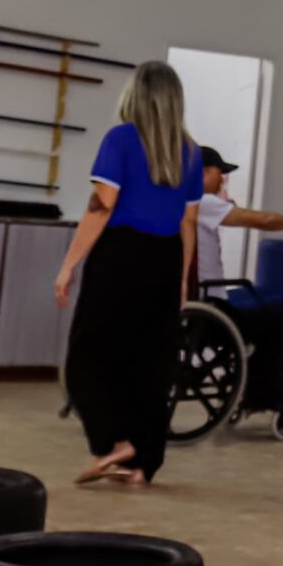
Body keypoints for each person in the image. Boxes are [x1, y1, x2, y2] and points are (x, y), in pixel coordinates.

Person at [54, 61, 202, 487]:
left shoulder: (120, 139)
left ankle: (111, 443)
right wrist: (181, 278)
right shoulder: (191, 152)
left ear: (135, 95)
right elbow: (188, 222)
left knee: (88, 357)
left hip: (121, 255)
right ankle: (142, 463)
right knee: (150, 363)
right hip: (166, 257)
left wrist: (69, 264)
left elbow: (102, 205)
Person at [192, 144, 283, 289]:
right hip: (206, 293)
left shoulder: (186, 201)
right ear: (203, 172)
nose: (222, 181)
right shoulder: (202, 201)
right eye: (219, 174)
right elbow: (266, 220)